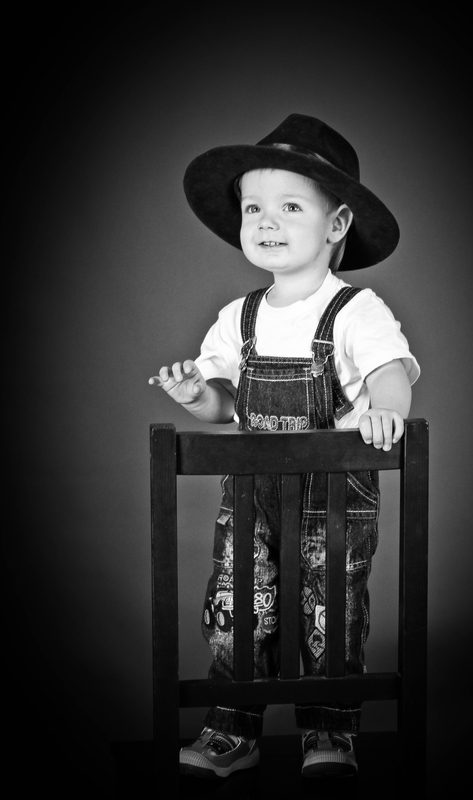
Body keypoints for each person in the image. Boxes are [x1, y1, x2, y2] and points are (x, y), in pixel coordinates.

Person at [149, 113, 420, 779]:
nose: (266, 221)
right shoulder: (237, 317)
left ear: (336, 224)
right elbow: (225, 404)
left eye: (290, 207)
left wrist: (386, 411)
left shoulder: (354, 310)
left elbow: (389, 372)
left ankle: (329, 732)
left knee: (331, 613)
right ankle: (231, 729)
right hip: (249, 501)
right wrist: (194, 395)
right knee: (239, 609)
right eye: (253, 208)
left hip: (333, 502)